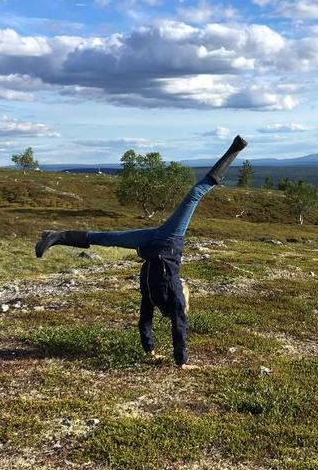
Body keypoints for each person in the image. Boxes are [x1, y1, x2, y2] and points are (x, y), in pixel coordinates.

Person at [34, 136, 248, 369]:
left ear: (181, 298)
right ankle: (55, 236)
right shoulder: (151, 291)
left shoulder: (174, 297)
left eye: (187, 292)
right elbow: (144, 321)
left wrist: (182, 362)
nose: (186, 289)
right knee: (105, 238)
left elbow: (179, 326)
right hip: (151, 246)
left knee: (196, 193)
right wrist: (150, 350)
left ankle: (234, 150)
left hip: (166, 239)